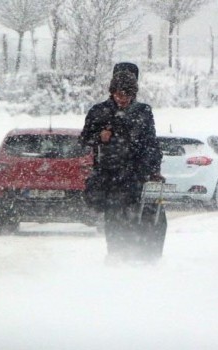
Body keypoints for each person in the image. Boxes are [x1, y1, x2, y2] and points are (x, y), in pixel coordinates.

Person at [80, 63, 167, 261]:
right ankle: (117, 255)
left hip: (138, 176)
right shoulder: (99, 111)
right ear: (112, 93)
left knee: (145, 217)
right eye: (119, 95)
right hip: (110, 177)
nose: (123, 101)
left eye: (127, 96)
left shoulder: (143, 112)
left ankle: (145, 257)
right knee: (115, 219)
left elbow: (151, 143)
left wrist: (154, 169)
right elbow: (84, 138)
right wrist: (99, 136)